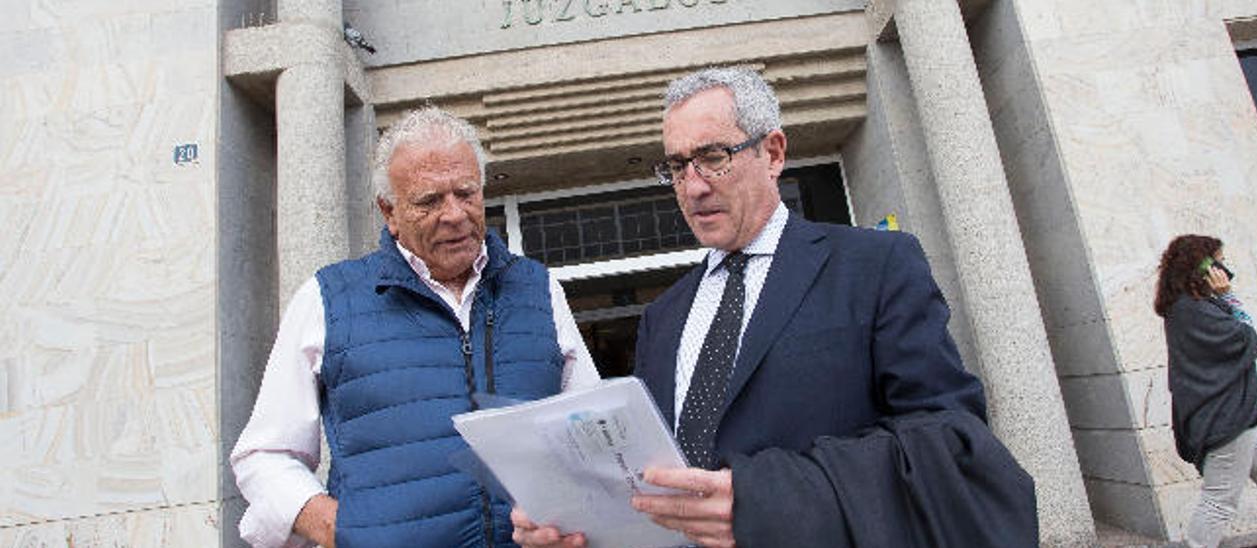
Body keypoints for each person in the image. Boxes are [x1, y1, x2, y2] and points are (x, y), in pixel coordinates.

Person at [513, 67, 1036, 548]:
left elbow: (949, 442)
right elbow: (656, 474)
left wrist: (768, 500)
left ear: (774, 153)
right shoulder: (663, 317)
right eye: (677, 166)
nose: (692, 187)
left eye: (713, 157)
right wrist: (579, 519)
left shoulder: (874, 266)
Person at [230, 106, 600, 548]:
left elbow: (590, 432)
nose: (455, 215)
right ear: (389, 211)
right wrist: (340, 530)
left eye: (466, 193)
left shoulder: (538, 288)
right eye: (429, 201)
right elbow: (264, 455)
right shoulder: (327, 298)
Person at [1155, 234, 1257, 548]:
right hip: (1225, 418)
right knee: (1219, 501)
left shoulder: (1189, 308)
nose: (1224, 268)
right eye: (1219, 261)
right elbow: (1247, 337)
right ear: (1202, 267)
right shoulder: (1192, 310)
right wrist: (1229, 295)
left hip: (1232, 417)